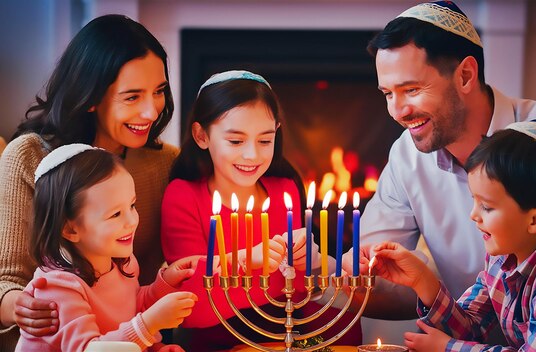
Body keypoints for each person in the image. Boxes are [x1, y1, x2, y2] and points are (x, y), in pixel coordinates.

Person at [342, 0, 536, 316]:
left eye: (411, 89)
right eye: (388, 94)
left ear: (465, 75)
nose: (397, 111)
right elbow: (376, 280)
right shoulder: (406, 156)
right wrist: (318, 269)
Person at [0, 14, 179, 350]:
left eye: (158, 92)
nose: (152, 112)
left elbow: (137, 288)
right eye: (132, 97)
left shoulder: (164, 161)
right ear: (91, 95)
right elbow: (5, 279)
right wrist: (17, 306)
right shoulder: (28, 157)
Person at [373, 120, 536, 351]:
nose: (474, 215)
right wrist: (422, 280)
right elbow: (470, 328)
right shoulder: (505, 256)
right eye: (475, 200)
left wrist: (448, 348)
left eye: (487, 206)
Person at [161, 70, 361, 350]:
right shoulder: (183, 195)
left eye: (265, 140)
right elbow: (191, 309)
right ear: (201, 135)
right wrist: (248, 261)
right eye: (235, 141)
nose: (252, 155)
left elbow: (299, 291)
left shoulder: (284, 190)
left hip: (286, 336)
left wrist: (310, 263)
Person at [16, 145, 197, 351]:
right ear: (70, 229)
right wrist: (150, 323)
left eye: (132, 206)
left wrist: (164, 284)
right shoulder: (58, 287)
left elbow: (131, 310)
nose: (132, 221)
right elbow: (90, 348)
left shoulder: (122, 263)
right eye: (115, 214)